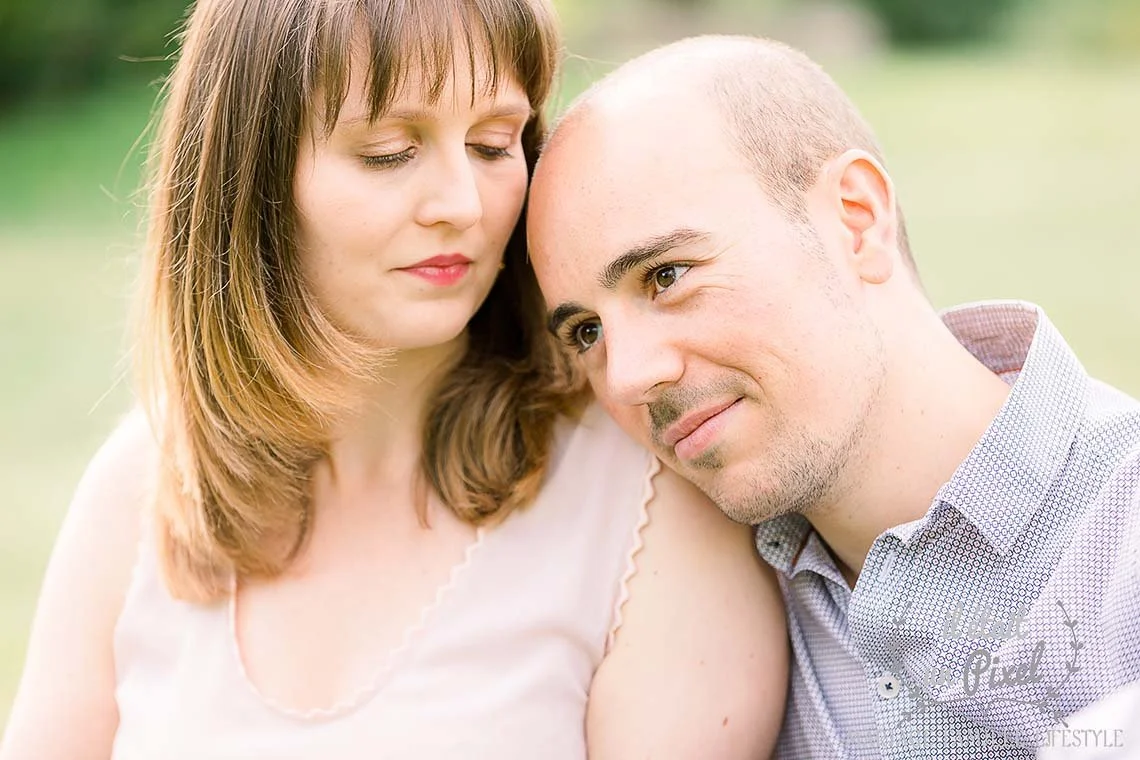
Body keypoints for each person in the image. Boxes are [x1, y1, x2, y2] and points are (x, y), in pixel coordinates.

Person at [0, 9, 789, 759]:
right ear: (252, 179)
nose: (462, 205)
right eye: (388, 152)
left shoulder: (642, 489)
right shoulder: (141, 481)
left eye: (492, 144)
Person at [526, 34, 1140, 759]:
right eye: (587, 332)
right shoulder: (697, 606)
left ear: (856, 219)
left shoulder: (1120, 541)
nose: (626, 377)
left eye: (666, 276)